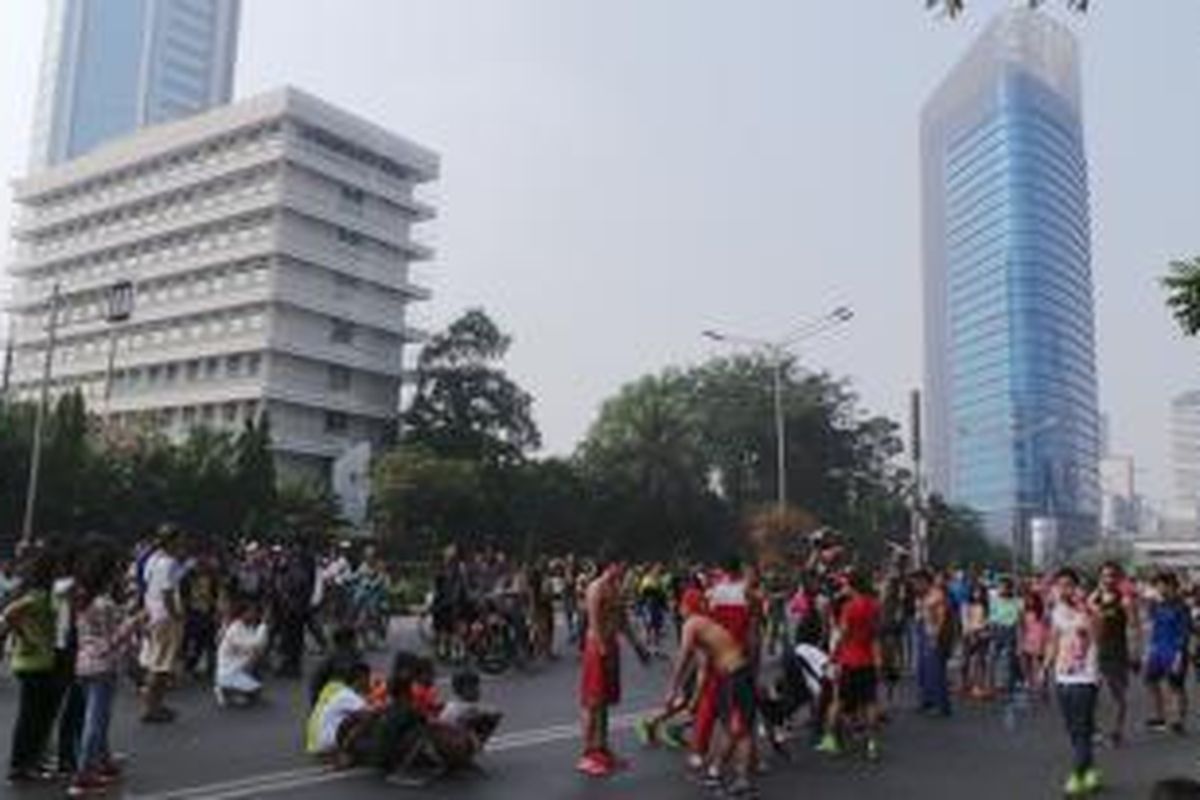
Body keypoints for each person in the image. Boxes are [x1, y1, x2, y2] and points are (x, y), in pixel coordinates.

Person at [68, 541, 142, 797]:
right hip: (102, 666)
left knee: (96, 717)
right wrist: (133, 622)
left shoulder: (83, 599)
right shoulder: (103, 604)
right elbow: (111, 640)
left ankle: (102, 762)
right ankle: (84, 774)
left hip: (84, 664)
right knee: (96, 721)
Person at [664, 604, 757, 797]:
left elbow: (683, 657)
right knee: (732, 727)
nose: (679, 610)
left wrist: (672, 689)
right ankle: (717, 771)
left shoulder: (692, 624)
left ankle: (741, 779)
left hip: (734, 676)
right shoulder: (707, 626)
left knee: (739, 729)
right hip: (736, 674)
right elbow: (702, 665)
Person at [577, 558, 649, 777]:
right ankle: (587, 755)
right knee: (592, 701)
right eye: (621, 565)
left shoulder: (616, 588)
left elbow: (623, 622)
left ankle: (602, 748)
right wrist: (600, 647)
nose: (625, 568)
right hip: (597, 649)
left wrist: (638, 647)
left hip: (611, 647)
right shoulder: (596, 587)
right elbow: (594, 621)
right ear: (611, 565)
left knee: (605, 701)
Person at [1045, 567, 1102, 798]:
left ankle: (1077, 777)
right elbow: (1053, 640)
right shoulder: (1057, 610)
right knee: (1076, 731)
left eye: (1069, 584)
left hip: (1085, 678)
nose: (1064, 589)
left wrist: (1086, 608)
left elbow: (1099, 635)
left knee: (1081, 730)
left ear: (1078, 587)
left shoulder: (1090, 610)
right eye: (1060, 585)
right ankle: (1090, 774)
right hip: (1062, 676)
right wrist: (1044, 668)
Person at [3, 548, 58, 784]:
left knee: (35, 716)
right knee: (30, 717)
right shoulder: (37, 595)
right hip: (33, 661)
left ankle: (30, 762)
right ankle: (21, 766)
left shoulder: (39, 593)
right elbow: (9, 614)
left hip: (36, 660)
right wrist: (26, 637)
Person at [818, 570, 883, 760]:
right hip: (868, 661)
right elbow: (875, 635)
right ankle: (872, 744)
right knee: (870, 703)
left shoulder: (849, 607)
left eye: (846, 585)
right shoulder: (874, 605)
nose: (844, 588)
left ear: (852, 586)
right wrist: (878, 660)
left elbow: (843, 634)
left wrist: (832, 657)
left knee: (838, 702)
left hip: (849, 660)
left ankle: (830, 740)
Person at [1090, 562, 1140, 746]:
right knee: (1091, 693)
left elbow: (1133, 628)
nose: (1108, 579)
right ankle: (1093, 730)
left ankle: (1116, 732)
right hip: (1094, 652)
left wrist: (1135, 653)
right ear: (1099, 577)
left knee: (1118, 694)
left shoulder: (1125, 601)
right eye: (1104, 575)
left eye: (1112, 575)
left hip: (1117, 652)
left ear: (1118, 578)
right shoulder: (1093, 598)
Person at [139, 528, 184, 723]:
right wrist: (177, 615)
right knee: (161, 665)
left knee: (155, 662)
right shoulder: (169, 563)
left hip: (153, 613)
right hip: (166, 617)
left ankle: (156, 705)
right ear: (172, 541)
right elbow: (167, 592)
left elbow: (147, 585)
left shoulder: (152, 559)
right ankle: (152, 708)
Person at [1144, 571, 1190, 734]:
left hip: (1175, 650)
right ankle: (1160, 715)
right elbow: (1154, 629)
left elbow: (1184, 633)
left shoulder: (1181, 606)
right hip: (1158, 650)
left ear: (1173, 586)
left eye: (1165, 585)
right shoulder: (1156, 605)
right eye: (1158, 585)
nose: (1162, 588)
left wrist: (1178, 655)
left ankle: (1178, 720)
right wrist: (1149, 649)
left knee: (1176, 686)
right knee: (1150, 681)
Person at [214, 603, 270, 707]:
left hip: (238, 668)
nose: (254, 614)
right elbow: (255, 644)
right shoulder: (235, 628)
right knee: (248, 699)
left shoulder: (246, 627)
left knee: (256, 692)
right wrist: (263, 624)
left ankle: (235, 691)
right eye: (250, 612)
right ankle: (225, 689)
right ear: (242, 614)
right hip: (229, 672)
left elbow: (260, 645)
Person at [914, 570, 952, 717]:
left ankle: (942, 706)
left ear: (925, 581)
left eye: (918, 582)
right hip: (923, 631)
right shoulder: (923, 595)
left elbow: (942, 618)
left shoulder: (938, 594)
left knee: (936, 671)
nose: (916, 585)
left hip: (934, 634)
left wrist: (936, 637)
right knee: (923, 670)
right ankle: (927, 701)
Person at [439, 670, 503, 751]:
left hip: (453, 737)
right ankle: (468, 750)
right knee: (484, 718)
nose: (477, 690)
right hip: (453, 740)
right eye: (472, 687)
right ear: (460, 690)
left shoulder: (460, 704)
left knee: (488, 716)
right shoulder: (458, 707)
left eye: (477, 686)